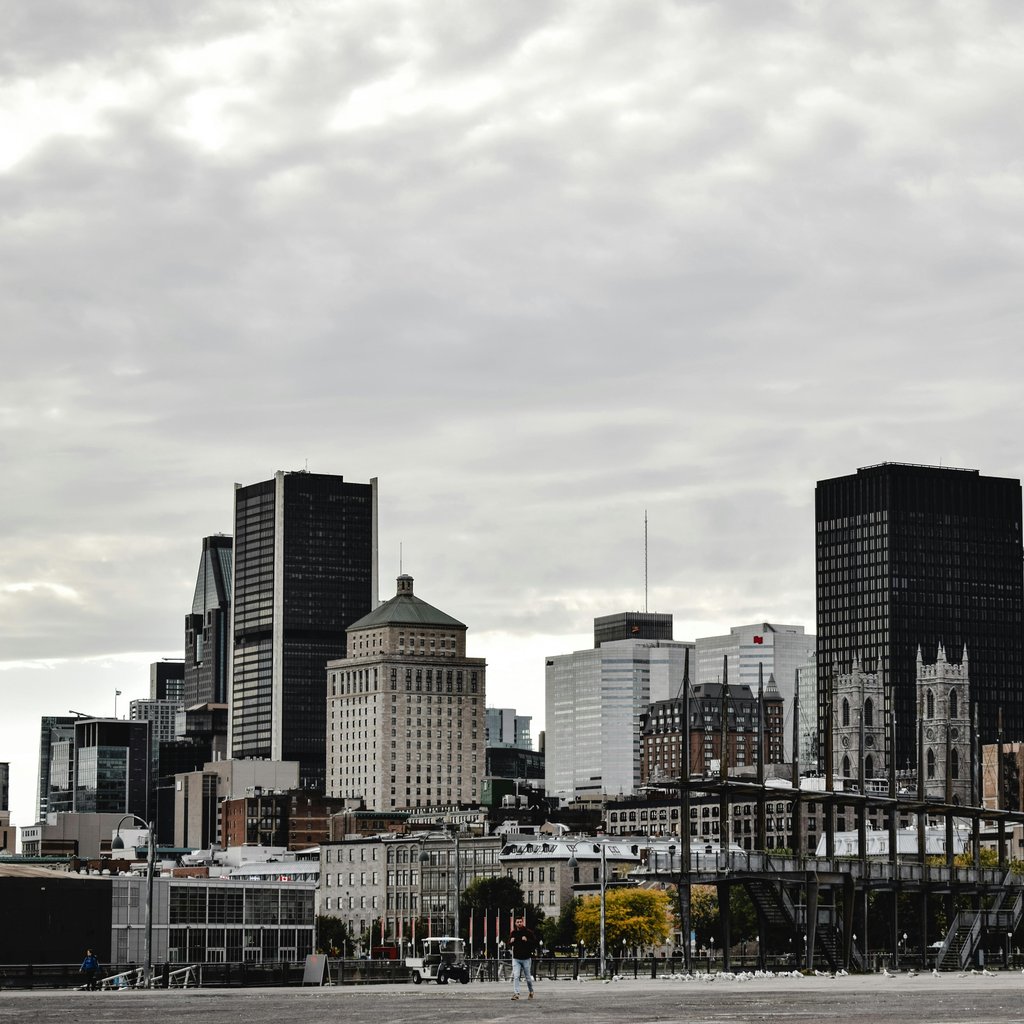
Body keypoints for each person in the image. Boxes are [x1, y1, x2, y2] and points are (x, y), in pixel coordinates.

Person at [508, 917, 538, 1000]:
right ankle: (516, 993)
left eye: (520, 922)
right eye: (517, 922)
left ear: (523, 922)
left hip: (526, 958)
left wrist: (527, 940)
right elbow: (509, 944)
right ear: (515, 923)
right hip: (516, 958)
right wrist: (511, 942)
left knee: (528, 978)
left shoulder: (528, 932)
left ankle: (531, 991)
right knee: (516, 976)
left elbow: (535, 942)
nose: (519, 923)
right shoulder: (513, 933)